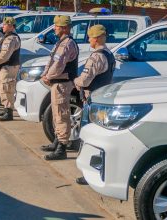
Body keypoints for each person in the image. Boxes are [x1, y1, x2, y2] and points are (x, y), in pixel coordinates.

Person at [74, 24, 115, 185]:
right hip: (103, 99)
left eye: (90, 37)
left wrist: (76, 81)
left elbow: (85, 79)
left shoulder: (96, 56)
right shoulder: (109, 53)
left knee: (88, 138)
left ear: (96, 38)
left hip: (92, 100)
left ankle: (89, 173)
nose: (89, 40)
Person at [40, 15, 79, 160]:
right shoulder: (61, 42)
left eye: (57, 26)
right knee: (57, 115)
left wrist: (48, 76)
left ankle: (62, 148)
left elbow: (58, 65)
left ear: (64, 28)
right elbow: (51, 61)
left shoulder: (67, 43)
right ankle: (57, 141)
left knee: (62, 115)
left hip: (62, 84)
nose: (54, 28)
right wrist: (46, 74)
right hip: (57, 83)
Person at [0, 17, 21, 121]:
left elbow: (5, 55)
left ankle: (9, 112)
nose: (3, 26)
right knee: (2, 88)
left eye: (5, 25)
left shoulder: (11, 38)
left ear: (11, 26)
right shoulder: (7, 37)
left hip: (9, 67)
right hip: (5, 67)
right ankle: (6, 108)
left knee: (7, 89)